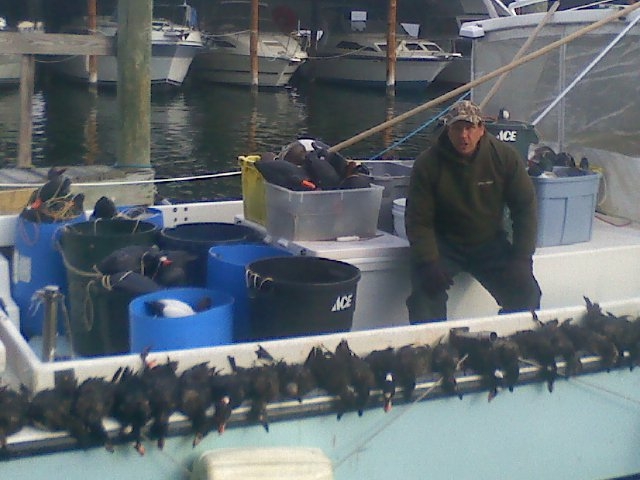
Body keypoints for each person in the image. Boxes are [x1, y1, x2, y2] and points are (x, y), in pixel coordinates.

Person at [404, 100, 541, 323]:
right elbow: (418, 219)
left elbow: (525, 207)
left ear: (481, 129)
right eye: (457, 128)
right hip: (444, 244)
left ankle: (510, 339)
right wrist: (428, 260)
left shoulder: (504, 157)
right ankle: (435, 343)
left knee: (526, 292)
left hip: (489, 243)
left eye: (469, 128)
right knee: (424, 297)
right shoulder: (427, 163)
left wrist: (522, 257)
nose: (463, 136)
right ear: (448, 130)